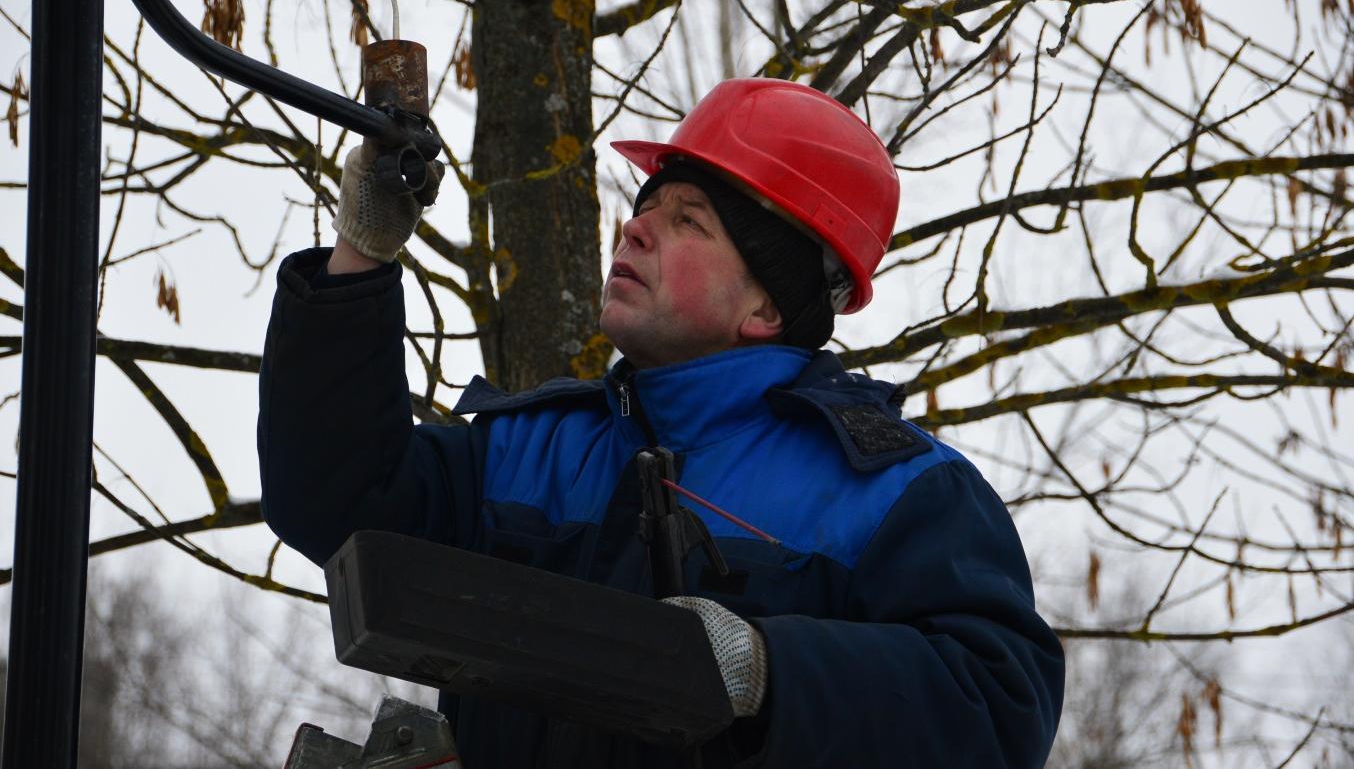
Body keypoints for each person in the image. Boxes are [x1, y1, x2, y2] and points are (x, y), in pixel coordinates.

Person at [258, 78, 1064, 768]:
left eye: (688, 221)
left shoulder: (895, 491)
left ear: (767, 305)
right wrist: (360, 257)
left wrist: (767, 669)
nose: (636, 227)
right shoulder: (532, 448)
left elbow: (999, 707)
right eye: (648, 207)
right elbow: (338, 501)